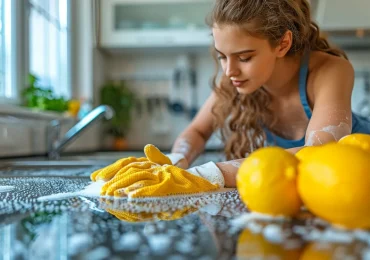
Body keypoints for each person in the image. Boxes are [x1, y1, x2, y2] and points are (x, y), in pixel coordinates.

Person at [92, 0, 370, 197]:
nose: (229, 71)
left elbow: (319, 154)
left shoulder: (329, 70)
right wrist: (175, 161)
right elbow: (199, 130)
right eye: (222, 56)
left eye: (245, 57)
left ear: (282, 44)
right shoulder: (238, 78)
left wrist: (208, 174)